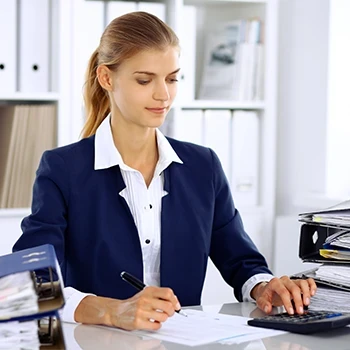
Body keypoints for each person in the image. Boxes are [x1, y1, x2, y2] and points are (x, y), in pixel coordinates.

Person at [13, 12, 316, 331]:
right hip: (96, 341)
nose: (163, 95)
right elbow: (26, 283)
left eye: (172, 78)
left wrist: (264, 288)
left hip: (181, 340)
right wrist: (111, 311)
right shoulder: (63, 169)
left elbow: (242, 260)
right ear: (107, 78)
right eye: (145, 80)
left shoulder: (202, 166)